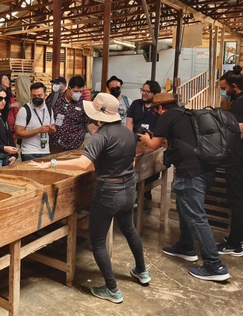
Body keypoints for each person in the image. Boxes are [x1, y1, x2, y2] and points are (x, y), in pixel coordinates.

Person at [31, 93, 150, 304]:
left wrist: (50, 164)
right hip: (128, 187)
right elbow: (130, 163)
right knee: (130, 229)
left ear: (99, 116)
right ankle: (142, 272)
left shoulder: (101, 136)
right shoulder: (128, 133)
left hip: (108, 191)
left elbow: (83, 164)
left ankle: (112, 289)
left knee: (97, 242)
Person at [139, 92, 230, 282]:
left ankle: (215, 266)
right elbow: (177, 140)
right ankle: (186, 247)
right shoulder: (186, 114)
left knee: (197, 217)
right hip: (205, 170)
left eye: (155, 109)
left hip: (191, 174)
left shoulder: (166, 116)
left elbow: (155, 145)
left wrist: (146, 139)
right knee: (184, 209)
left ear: (159, 108)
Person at [217, 65, 243, 255]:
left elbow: (238, 132)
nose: (224, 92)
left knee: (237, 199)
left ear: (234, 86)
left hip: (241, 157)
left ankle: (234, 244)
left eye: (224, 89)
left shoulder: (240, 103)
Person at [126, 80, 162, 203]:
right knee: (134, 168)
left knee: (152, 170)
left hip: (152, 143)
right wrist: (129, 137)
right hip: (136, 142)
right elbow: (129, 122)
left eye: (148, 92)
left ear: (155, 93)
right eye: (143, 90)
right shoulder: (136, 104)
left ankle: (146, 191)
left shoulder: (158, 107)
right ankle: (135, 194)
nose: (144, 94)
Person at [49, 76, 98, 154]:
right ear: (69, 88)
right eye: (76, 91)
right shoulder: (54, 98)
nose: (78, 94)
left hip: (73, 148)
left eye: (80, 92)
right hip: (54, 146)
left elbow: (90, 124)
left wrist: (98, 135)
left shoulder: (83, 104)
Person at [15, 82, 56, 161]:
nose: (37, 98)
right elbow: (19, 133)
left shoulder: (49, 110)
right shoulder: (24, 110)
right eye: (34, 96)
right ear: (30, 96)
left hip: (46, 151)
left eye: (39, 95)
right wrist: (38, 130)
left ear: (45, 96)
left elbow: (52, 130)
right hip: (29, 152)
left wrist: (52, 130)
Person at [0, 73, 20, 140]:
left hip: (12, 122)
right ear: (0, 81)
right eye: (5, 79)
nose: (8, 81)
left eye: (8, 79)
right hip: (2, 122)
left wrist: (17, 121)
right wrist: (11, 105)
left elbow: (15, 109)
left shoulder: (10, 93)